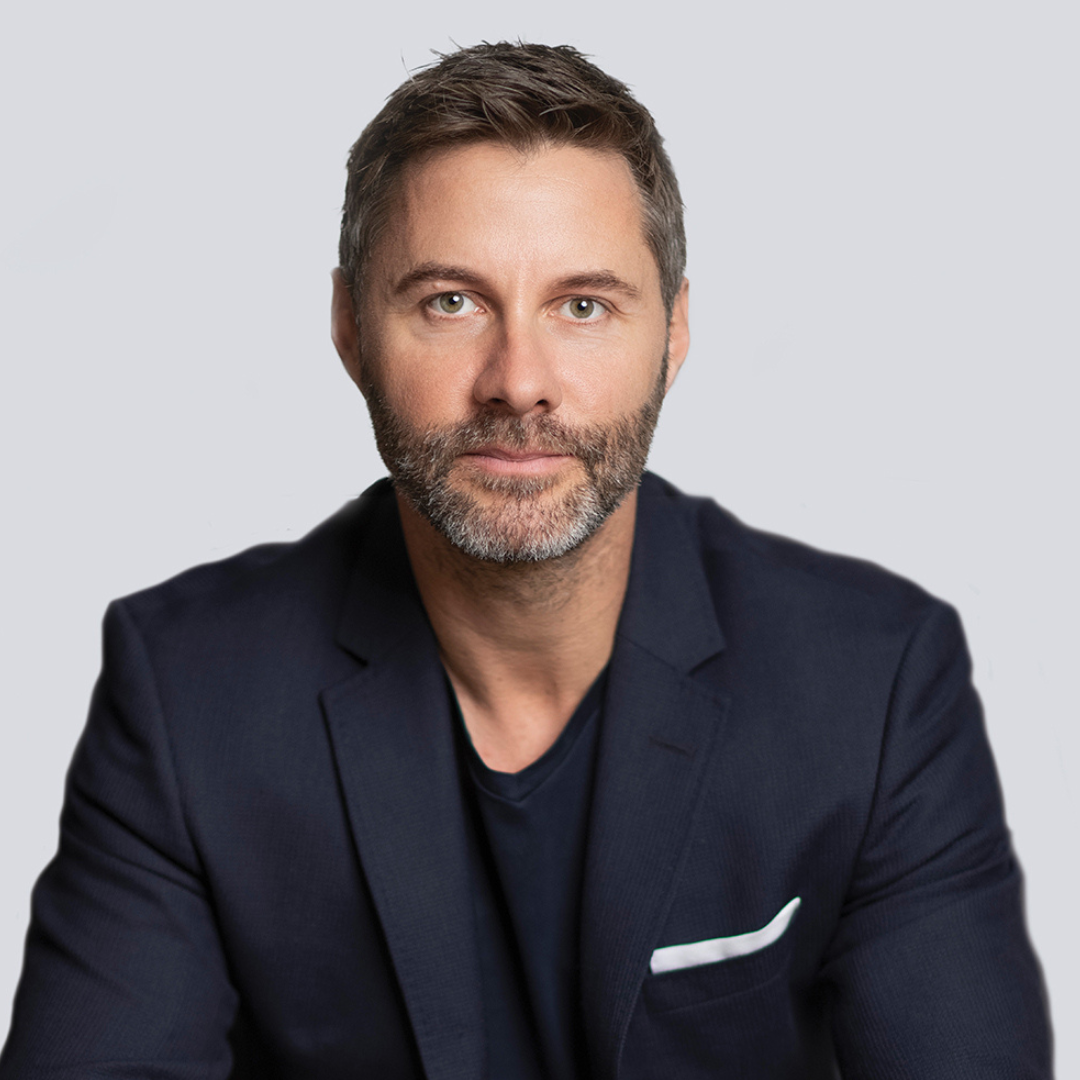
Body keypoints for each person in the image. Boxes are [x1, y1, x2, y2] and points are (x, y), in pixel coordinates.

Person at [0, 41, 1052, 1080]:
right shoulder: (188, 695)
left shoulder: (874, 684)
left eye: (583, 305)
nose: (517, 380)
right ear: (351, 330)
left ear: (673, 334)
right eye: (449, 301)